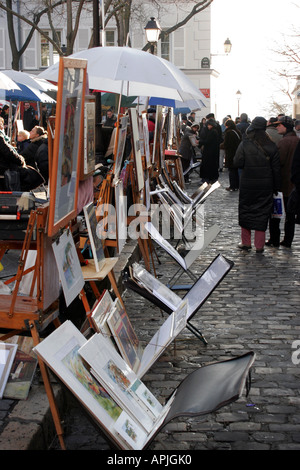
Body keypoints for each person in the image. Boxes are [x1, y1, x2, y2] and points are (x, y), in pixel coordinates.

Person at [233, 116, 281, 254]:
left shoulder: (245, 144)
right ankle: (259, 246)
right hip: (266, 184)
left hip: (248, 183)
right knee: (262, 213)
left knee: (246, 211)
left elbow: (237, 162)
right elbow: (276, 169)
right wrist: (277, 187)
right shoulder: (271, 146)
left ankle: (246, 243)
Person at [266, 115, 299, 248]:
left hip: (284, 182)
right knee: (290, 214)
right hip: (294, 183)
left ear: (285, 127)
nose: (277, 127)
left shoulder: (284, 142)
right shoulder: (296, 140)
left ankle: (275, 238)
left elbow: (278, 162)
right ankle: (288, 239)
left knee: (276, 213)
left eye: (279, 125)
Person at [220, 119, 242, 191]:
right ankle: (237, 185)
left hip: (230, 154)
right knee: (235, 170)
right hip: (237, 153)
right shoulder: (237, 132)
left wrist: (220, 146)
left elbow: (226, 144)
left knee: (231, 171)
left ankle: (232, 186)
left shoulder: (229, 133)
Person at [198, 118, 221, 183]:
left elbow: (208, 141)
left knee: (208, 165)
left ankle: (209, 178)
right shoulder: (214, 131)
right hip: (212, 152)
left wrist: (200, 142)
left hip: (210, 152)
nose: (208, 126)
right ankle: (212, 178)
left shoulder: (212, 132)